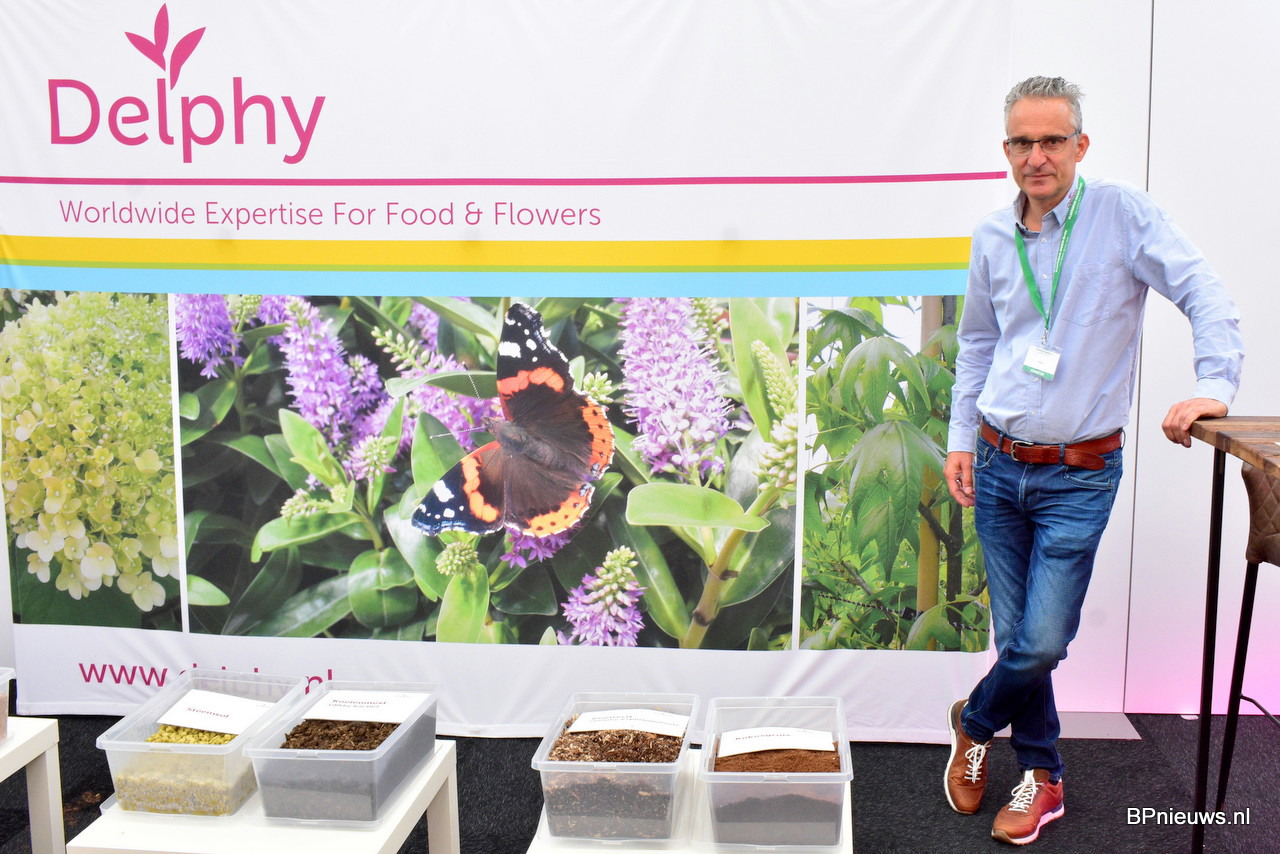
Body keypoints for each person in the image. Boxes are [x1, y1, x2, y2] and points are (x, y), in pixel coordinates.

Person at [942, 76, 1243, 846]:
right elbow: (978, 345)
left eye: (1052, 140)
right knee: (1018, 636)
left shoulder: (1121, 216)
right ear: (1006, 149)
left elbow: (1205, 292)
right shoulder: (991, 236)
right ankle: (1042, 777)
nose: (1036, 157)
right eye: (1022, 142)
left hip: (1079, 472)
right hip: (999, 461)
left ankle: (976, 720)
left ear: (1080, 144)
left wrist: (1213, 386)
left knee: (1041, 640)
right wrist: (960, 439)